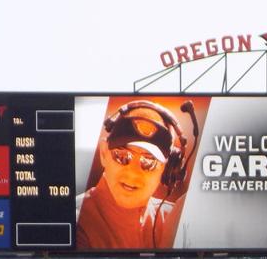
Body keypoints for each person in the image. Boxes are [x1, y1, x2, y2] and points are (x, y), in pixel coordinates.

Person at [75, 101, 191, 249]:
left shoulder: (175, 220)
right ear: (104, 153)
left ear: (167, 170)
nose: (133, 172)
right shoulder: (74, 223)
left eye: (149, 162)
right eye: (122, 156)